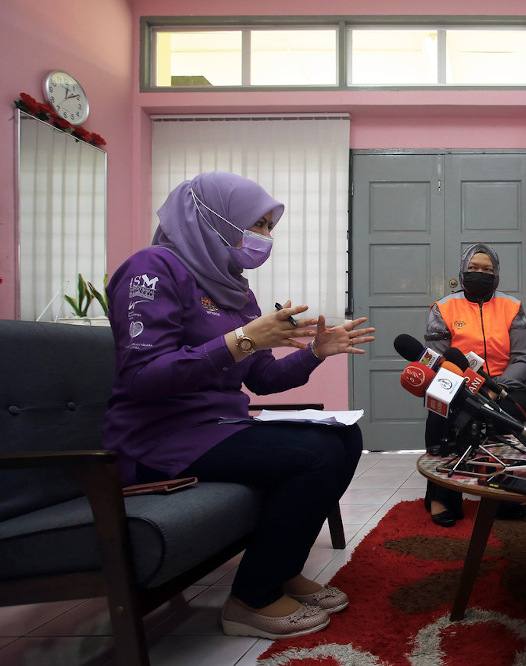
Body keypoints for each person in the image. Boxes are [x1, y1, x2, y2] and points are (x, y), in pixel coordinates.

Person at [101, 172, 375, 640]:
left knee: (344, 437)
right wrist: (241, 340)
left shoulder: (234, 289)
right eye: (257, 224)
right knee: (315, 455)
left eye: (268, 227)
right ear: (212, 218)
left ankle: (284, 570)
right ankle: (251, 598)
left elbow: (263, 379)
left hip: (217, 428)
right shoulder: (151, 269)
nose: (264, 238)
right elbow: (143, 376)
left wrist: (314, 352)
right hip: (159, 438)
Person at [423, 243, 526, 526]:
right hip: (457, 383)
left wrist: (497, 388)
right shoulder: (443, 307)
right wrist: (469, 387)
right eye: (473, 268)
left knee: (521, 407)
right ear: (463, 271)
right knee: (442, 411)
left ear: (496, 274)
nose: (480, 274)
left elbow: (523, 358)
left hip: (503, 384)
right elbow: (435, 360)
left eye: (487, 270)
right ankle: (441, 496)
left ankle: (508, 493)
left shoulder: (512, 307)